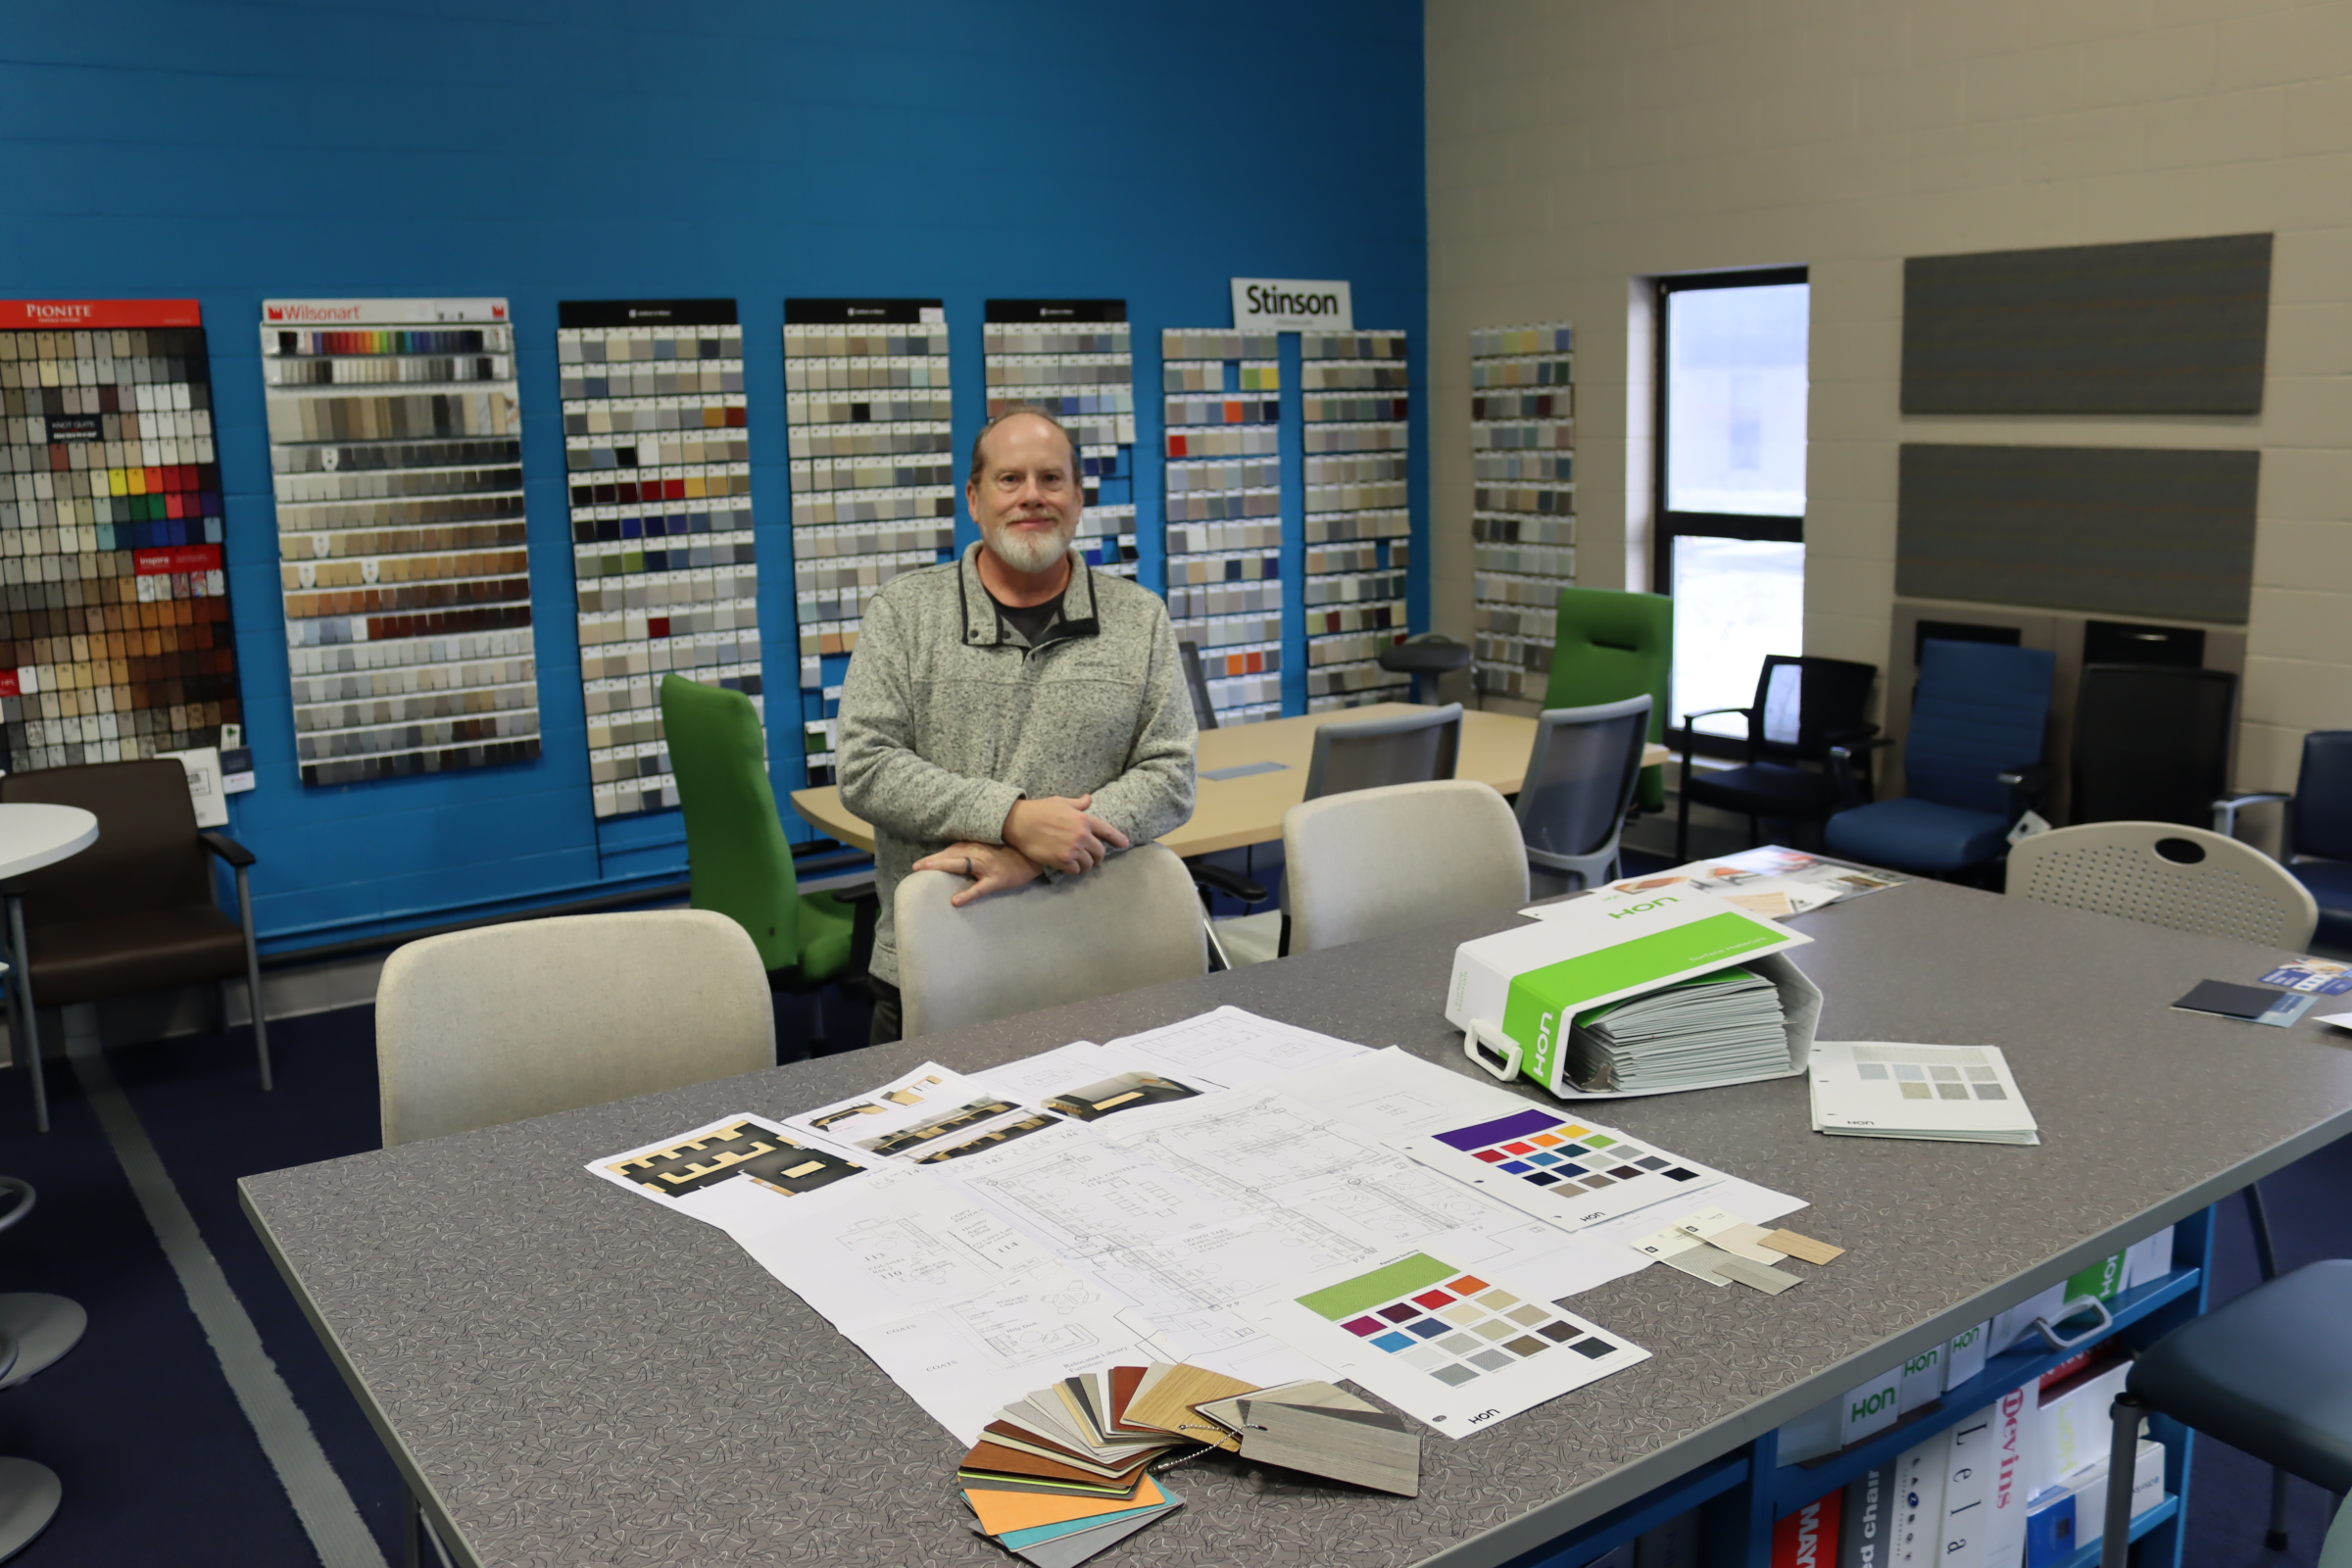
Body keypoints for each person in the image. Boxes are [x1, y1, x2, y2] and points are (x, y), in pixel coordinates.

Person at [837, 407, 1197, 1045]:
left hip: (1101, 959)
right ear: (974, 500)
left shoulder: (1139, 619)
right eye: (1010, 479)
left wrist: (1042, 853)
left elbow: (1170, 775)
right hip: (940, 964)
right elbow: (866, 766)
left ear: (1078, 499)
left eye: (1051, 479)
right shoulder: (904, 613)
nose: (1032, 496)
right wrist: (1011, 819)